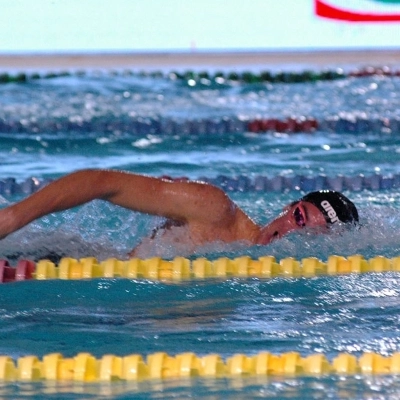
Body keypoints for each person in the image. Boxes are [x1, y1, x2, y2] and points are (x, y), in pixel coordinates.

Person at [0, 169, 359, 257]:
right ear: (287, 207)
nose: (292, 233)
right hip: (52, 267)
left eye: (312, 233)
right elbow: (103, 182)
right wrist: (13, 218)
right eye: (299, 217)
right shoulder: (215, 210)